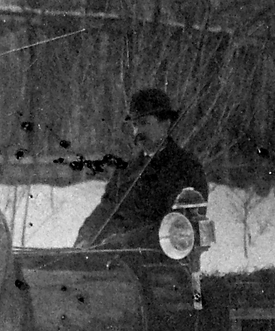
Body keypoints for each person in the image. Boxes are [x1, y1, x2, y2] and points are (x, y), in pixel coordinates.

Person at [73, 87, 207, 249]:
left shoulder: (186, 167)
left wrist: (126, 241)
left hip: (160, 263)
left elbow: (181, 226)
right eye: (135, 125)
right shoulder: (126, 170)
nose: (138, 132)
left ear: (165, 125)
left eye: (144, 123)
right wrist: (85, 237)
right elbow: (105, 209)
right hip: (115, 260)